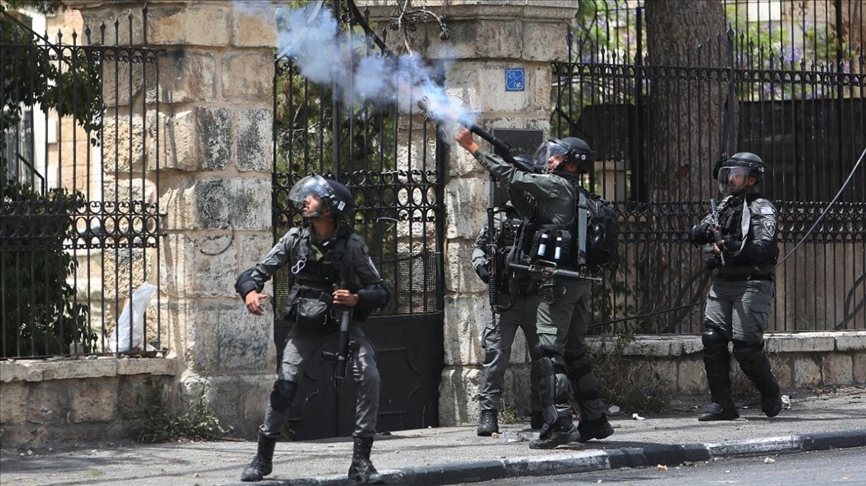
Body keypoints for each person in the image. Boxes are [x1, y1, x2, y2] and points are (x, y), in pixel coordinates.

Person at [455, 128, 614, 449]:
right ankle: (596, 419)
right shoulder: (578, 194)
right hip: (578, 282)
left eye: (557, 156)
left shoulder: (556, 186)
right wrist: (516, 180)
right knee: (574, 352)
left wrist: (472, 146)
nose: (550, 159)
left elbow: (510, 175)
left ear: (571, 163)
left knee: (549, 352)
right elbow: (530, 210)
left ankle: (559, 423)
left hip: (559, 284)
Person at [235, 174, 391, 483]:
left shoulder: (352, 245)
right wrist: (249, 292)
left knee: (369, 375)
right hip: (305, 327)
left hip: (341, 324)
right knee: (284, 388)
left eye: (314, 197)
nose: (306, 201)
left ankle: (361, 461)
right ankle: (262, 457)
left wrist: (356, 298)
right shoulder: (295, 239)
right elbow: (257, 272)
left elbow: (382, 291)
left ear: (330, 209)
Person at [689, 152, 782, 421]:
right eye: (728, 173)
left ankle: (769, 390)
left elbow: (764, 247)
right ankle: (722, 404)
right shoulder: (726, 205)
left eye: (736, 174)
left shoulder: (761, 207)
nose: (730, 178)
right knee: (712, 338)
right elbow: (697, 232)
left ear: (751, 178)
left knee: (744, 346)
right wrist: (705, 233)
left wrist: (732, 245)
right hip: (724, 281)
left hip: (752, 284)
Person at [472, 198, 543, 435]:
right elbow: (479, 247)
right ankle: (488, 414)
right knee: (496, 355)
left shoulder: (543, 213)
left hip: (535, 296)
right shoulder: (500, 218)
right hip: (506, 298)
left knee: (543, 356)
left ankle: (541, 412)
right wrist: (481, 265)